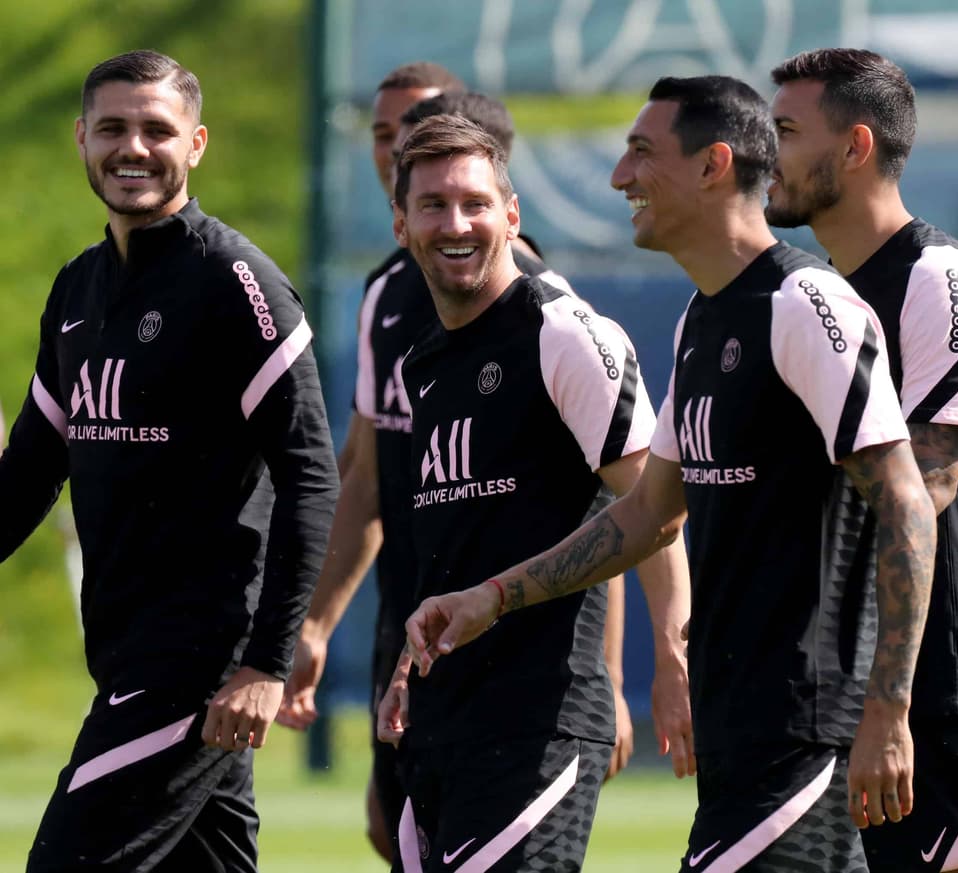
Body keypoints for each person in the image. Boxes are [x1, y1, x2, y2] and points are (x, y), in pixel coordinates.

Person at [399, 76, 938, 872]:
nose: (620, 177)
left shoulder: (805, 301)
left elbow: (906, 503)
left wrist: (888, 710)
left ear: (714, 165)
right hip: (738, 737)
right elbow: (648, 512)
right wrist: (493, 596)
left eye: (642, 153)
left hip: (804, 727)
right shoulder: (703, 317)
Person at [0, 50, 338, 872]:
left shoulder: (236, 281)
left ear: (197, 144)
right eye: (112, 128)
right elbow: (29, 473)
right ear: (82, 139)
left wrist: (267, 661)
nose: (133, 148)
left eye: (158, 129)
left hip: (198, 661)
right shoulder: (78, 290)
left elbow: (310, 473)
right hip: (123, 646)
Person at [375, 114, 691, 872]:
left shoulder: (565, 333)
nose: (457, 224)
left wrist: (674, 660)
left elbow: (653, 513)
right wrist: (406, 667)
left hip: (539, 718)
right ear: (402, 224)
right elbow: (450, 542)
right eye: (433, 206)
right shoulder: (423, 362)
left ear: (511, 214)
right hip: (442, 714)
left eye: (476, 203)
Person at [765, 48, 958, 873]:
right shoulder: (809, 294)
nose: (762, 152)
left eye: (784, 130)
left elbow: (926, 487)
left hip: (940, 686)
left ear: (855, 146)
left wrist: (891, 702)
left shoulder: (939, 278)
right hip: (829, 691)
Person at [276, 60, 466, 863]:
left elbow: (617, 503)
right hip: (406, 621)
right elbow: (369, 468)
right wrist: (315, 622)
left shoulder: (533, 300)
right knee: (394, 834)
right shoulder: (386, 291)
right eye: (383, 133)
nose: (395, 148)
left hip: (502, 638)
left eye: (416, 129)